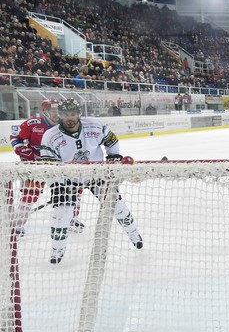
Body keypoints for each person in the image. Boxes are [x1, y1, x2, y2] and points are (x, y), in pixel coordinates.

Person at [38, 99, 143, 265]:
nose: (69, 118)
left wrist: (114, 156)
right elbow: (49, 165)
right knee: (61, 215)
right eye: (65, 115)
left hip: (97, 175)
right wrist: (56, 186)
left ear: (79, 113)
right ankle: (57, 251)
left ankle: (134, 234)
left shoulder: (94, 125)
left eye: (72, 114)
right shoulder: (50, 136)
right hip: (69, 180)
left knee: (117, 206)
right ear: (60, 115)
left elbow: (112, 141)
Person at [8, 99, 84, 235]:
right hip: (37, 166)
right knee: (30, 195)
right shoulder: (33, 124)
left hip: (60, 166)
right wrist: (20, 149)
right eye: (53, 111)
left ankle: (72, 218)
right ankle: (18, 225)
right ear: (45, 112)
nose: (57, 114)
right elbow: (15, 136)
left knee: (74, 192)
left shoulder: (66, 125)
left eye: (58, 111)